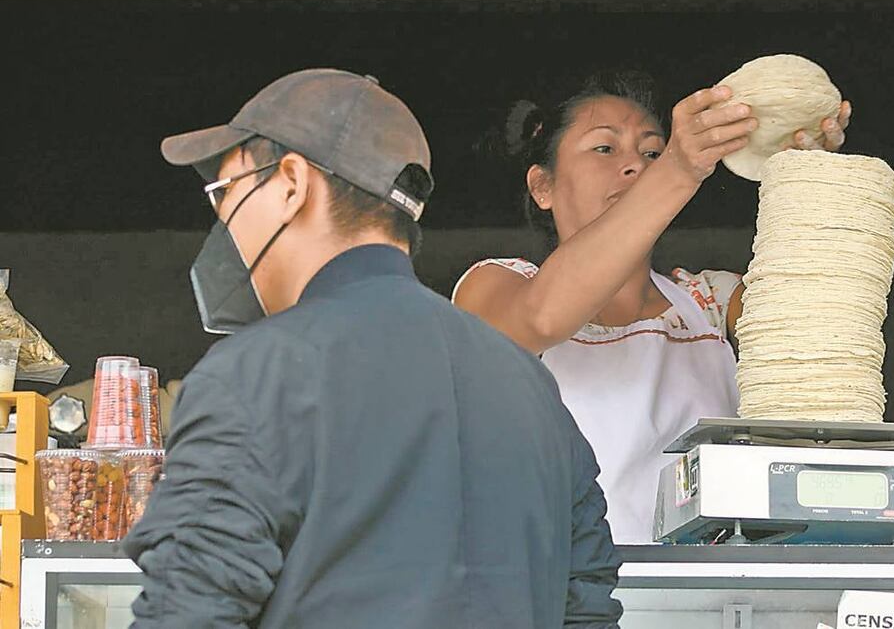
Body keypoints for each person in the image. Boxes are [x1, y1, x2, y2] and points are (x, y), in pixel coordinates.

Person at [123, 69, 623, 628]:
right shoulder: (534, 391)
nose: (224, 221)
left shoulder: (257, 373)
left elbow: (186, 613)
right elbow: (588, 610)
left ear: (291, 182)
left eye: (227, 190)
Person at [453, 71, 851, 544]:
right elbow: (541, 318)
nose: (635, 167)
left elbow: (823, 338)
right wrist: (677, 169)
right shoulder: (496, 284)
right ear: (543, 186)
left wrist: (805, 178)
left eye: (652, 153)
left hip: (705, 603)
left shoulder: (711, 302)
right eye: (605, 148)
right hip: (556, 601)